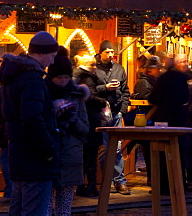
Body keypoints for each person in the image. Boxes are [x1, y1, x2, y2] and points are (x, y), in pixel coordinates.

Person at [0, 31, 60, 216]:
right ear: (41, 53)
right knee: (34, 210)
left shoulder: (13, 77)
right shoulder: (32, 79)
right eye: (52, 56)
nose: (52, 61)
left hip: (19, 154)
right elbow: (32, 119)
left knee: (18, 209)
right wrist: (49, 150)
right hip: (35, 158)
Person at [46, 48, 88, 216]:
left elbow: (85, 130)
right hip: (48, 156)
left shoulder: (76, 95)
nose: (63, 81)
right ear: (51, 77)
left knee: (65, 209)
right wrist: (53, 114)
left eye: (66, 77)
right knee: (45, 208)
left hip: (71, 156)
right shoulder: (43, 92)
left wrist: (72, 118)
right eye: (59, 77)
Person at [148, 54, 191, 195]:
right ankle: (180, 184)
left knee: (161, 153)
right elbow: (187, 98)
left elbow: (153, 98)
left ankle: (163, 186)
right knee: (180, 153)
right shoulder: (185, 79)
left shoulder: (163, 79)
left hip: (164, 120)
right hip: (180, 119)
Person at [94, 40, 130, 195]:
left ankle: (119, 181)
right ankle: (106, 181)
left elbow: (126, 91)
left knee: (116, 149)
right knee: (103, 149)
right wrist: (105, 88)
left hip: (116, 112)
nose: (110, 55)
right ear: (100, 53)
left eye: (111, 52)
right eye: (107, 52)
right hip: (100, 113)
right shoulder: (94, 69)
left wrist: (122, 110)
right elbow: (89, 89)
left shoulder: (119, 68)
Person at [72, 54, 106, 198]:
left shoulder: (76, 75)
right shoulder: (88, 78)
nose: (95, 67)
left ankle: (80, 185)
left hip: (80, 121)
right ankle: (91, 186)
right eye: (93, 65)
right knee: (91, 155)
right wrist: (103, 102)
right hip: (90, 120)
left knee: (83, 155)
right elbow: (90, 98)